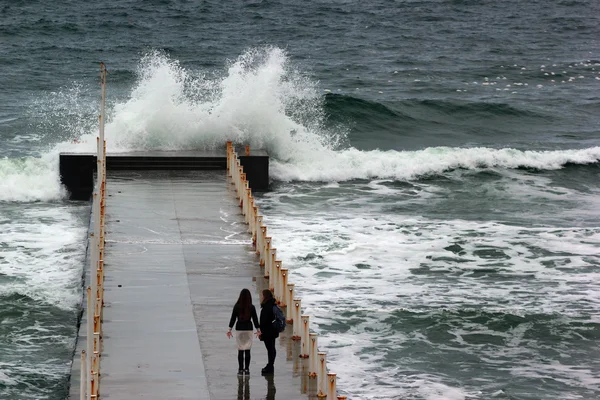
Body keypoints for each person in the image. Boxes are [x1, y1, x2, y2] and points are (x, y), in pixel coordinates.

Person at [227, 288, 261, 375]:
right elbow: (255, 320)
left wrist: (229, 329)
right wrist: (258, 330)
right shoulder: (251, 307)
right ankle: (247, 369)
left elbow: (233, 319)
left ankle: (240, 369)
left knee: (240, 350)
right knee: (248, 350)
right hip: (248, 328)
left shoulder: (237, 306)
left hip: (239, 328)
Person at [258, 289, 278, 374]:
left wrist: (260, 332)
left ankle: (270, 366)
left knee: (270, 349)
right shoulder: (273, 305)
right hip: (273, 331)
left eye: (262, 295)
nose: (261, 297)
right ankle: (270, 365)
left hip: (267, 332)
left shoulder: (266, 307)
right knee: (272, 348)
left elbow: (263, 321)